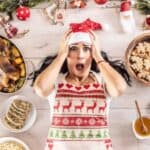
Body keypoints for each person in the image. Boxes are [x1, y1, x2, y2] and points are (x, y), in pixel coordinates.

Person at [33, 19, 128, 150]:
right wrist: (61, 56)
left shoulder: (102, 80)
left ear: (92, 54)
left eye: (86, 49)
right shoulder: (56, 81)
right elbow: (40, 88)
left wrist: (98, 56)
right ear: (67, 53)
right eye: (73, 49)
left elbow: (119, 89)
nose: (80, 55)